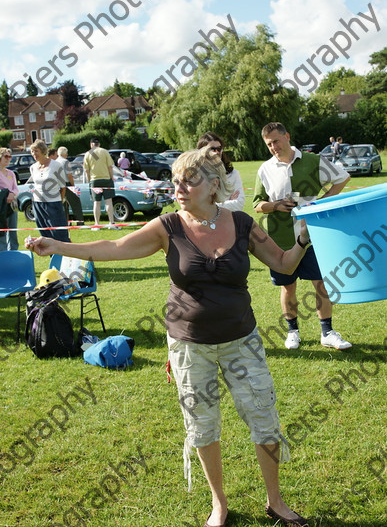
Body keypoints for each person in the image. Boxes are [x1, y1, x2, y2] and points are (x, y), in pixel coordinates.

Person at [26, 147, 312, 527]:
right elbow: (114, 247)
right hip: (189, 345)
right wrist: (59, 246)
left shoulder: (242, 223)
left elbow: (282, 262)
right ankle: (219, 505)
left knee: (265, 420)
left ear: (213, 186)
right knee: (203, 425)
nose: (179, 187)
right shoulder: (168, 226)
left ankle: (275, 501)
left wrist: (304, 240)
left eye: (189, 180)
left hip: (241, 340)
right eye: (176, 180)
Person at [253, 122, 352, 351]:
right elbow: (257, 204)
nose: (273, 147)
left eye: (276, 141)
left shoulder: (312, 160)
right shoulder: (264, 169)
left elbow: (341, 178)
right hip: (280, 239)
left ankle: (327, 332)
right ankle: (292, 332)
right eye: (269, 144)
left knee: (321, 283)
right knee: (287, 286)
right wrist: (275, 206)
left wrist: (321, 202)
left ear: (287, 136)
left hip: (313, 235)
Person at [29, 140, 70, 242]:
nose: (34, 154)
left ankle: (66, 255)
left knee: (59, 234)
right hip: (38, 203)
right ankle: (52, 256)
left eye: (36, 151)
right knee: (45, 233)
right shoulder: (33, 167)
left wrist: (59, 201)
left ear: (43, 151)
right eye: (32, 151)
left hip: (54, 203)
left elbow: (62, 187)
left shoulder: (56, 165)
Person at [196, 132, 245, 211]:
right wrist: (228, 202)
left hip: (228, 221)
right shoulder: (195, 176)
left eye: (219, 149)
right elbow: (196, 205)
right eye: (212, 149)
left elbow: (239, 204)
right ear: (201, 151)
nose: (217, 152)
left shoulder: (233, 174)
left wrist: (211, 206)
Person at [83, 139, 120, 231]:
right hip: (106, 179)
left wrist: (89, 180)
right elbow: (110, 167)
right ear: (99, 144)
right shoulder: (104, 151)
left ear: (91, 144)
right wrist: (111, 177)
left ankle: (97, 224)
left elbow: (86, 170)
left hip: (94, 180)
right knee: (108, 201)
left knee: (96, 202)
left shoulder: (88, 154)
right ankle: (111, 223)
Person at [56, 146, 84, 226]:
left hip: (59, 185)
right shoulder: (66, 162)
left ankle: (65, 222)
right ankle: (80, 222)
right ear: (65, 154)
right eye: (67, 153)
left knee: (64, 205)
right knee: (76, 203)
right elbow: (69, 175)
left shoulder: (55, 162)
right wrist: (73, 185)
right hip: (67, 184)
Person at [0, 148, 19, 251]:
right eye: (5, 156)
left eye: (9, 156)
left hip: (11, 206)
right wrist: (4, 195)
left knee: (13, 231)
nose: (8, 159)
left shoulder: (11, 173)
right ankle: (2, 255)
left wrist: (12, 193)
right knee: (2, 233)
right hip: (1, 207)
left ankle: (14, 253)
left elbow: (15, 188)